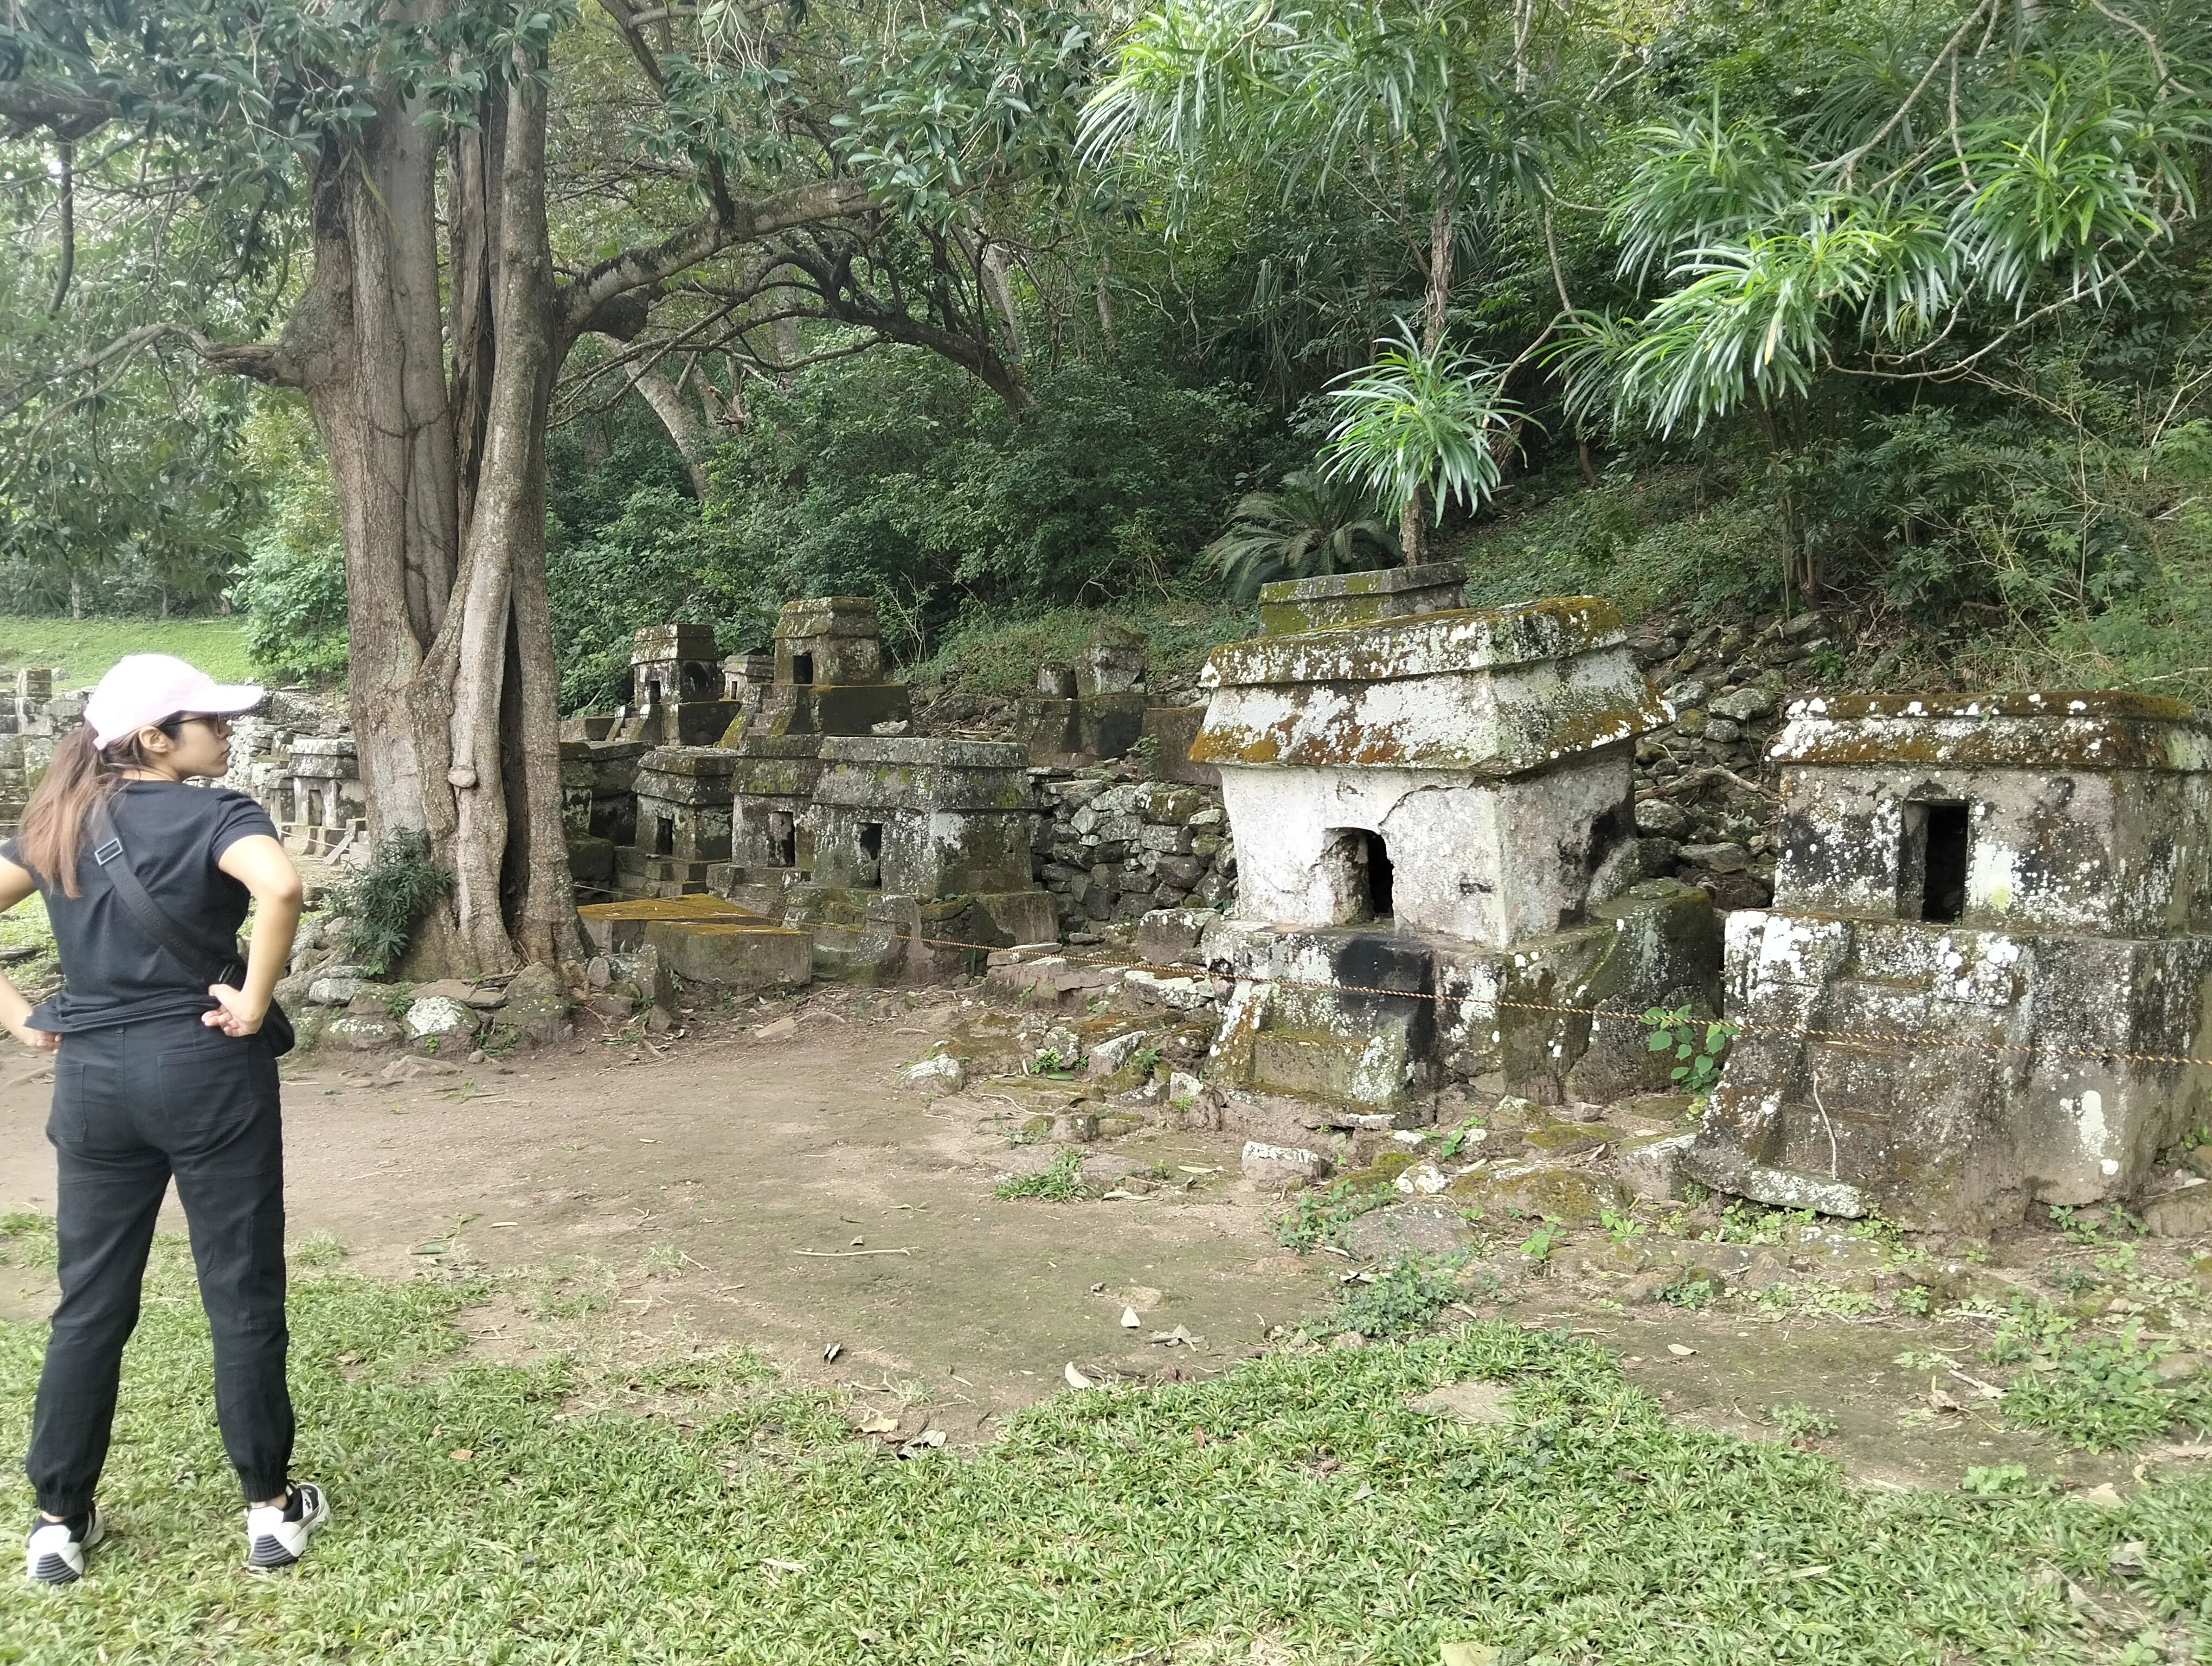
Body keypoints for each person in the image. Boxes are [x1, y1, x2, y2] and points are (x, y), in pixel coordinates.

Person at [0, 655, 329, 1584]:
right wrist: (254, 1000)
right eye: (211, 721)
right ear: (154, 738)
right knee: (241, 1287)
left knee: (90, 1302)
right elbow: (282, 888)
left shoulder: (58, 821)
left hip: (94, 1084)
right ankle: (269, 1510)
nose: (227, 734)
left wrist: (21, 1020)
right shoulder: (219, 816)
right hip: (206, 1070)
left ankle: (58, 1521)